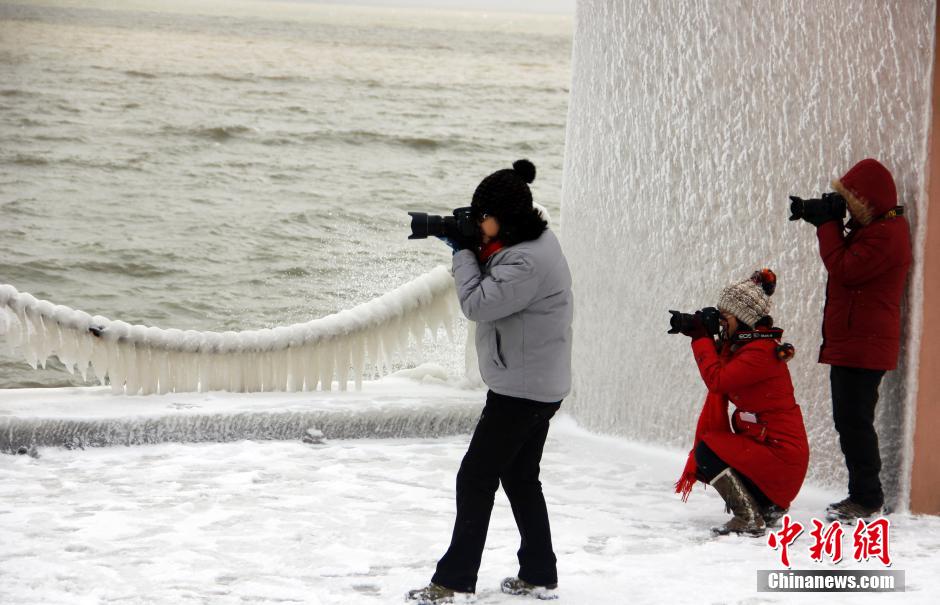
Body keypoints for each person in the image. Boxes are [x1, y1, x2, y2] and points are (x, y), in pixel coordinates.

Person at [407, 160, 573, 604]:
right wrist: (467, 241)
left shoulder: (525, 259)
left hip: (521, 391)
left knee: (475, 479)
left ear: (506, 215)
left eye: (484, 215)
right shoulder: (532, 241)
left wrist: (461, 251)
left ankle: (454, 582)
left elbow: (478, 304)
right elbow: (496, 272)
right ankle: (539, 574)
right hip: (537, 383)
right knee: (520, 478)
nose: (478, 223)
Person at [795, 158, 912, 521]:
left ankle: (866, 497)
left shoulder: (888, 234)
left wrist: (827, 224)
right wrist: (822, 217)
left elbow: (845, 269)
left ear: (868, 201)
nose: (847, 209)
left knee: (854, 421)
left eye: (851, 201)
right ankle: (861, 494)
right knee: (849, 420)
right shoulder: (876, 229)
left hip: (865, 346)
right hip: (856, 343)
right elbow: (848, 259)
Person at [675, 269, 809, 536]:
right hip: (771, 454)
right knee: (712, 448)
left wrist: (702, 337)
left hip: (780, 457)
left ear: (744, 319)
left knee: (707, 449)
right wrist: (695, 328)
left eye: (725, 318)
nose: (722, 324)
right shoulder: (747, 347)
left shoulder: (761, 353)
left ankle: (749, 517)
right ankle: (763, 507)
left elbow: (717, 379)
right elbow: (719, 362)